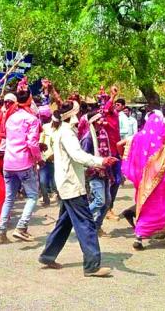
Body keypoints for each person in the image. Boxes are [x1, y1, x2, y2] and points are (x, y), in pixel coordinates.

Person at [39, 101, 117, 277]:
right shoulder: (67, 133)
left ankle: (47, 255)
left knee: (64, 223)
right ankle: (92, 265)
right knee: (86, 224)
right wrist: (100, 161)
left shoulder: (61, 130)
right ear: (74, 115)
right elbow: (77, 155)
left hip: (66, 182)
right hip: (71, 185)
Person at [121, 110, 165, 250]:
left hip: (145, 181)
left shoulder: (137, 137)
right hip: (164, 178)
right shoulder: (163, 133)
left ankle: (139, 239)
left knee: (146, 207)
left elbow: (121, 145)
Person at [0, 88, 42, 244]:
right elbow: (32, 143)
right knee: (33, 196)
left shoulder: (10, 118)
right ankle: (21, 227)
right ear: (29, 100)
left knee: (9, 198)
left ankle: (1, 232)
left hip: (9, 162)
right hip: (24, 162)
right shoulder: (31, 119)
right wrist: (39, 158)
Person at [80, 111, 113, 236]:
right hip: (94, 173)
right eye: (98, 120)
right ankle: (81, 220)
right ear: (93, 122)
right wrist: (95, 167)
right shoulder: (88, 138)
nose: (101, 122)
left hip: (105, 172)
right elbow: (83, 158)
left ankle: (96, 226)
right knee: (99, 201)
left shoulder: (103, 134)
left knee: (107, 202)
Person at [102, 86, 121, 221]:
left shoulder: (115, 115)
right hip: (108, 153)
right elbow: (106, 108)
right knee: (108, 182)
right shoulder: (107, 114)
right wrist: (112, 96)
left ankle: (110, 207)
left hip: (116, 152)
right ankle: (105, 210)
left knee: (117, 181)